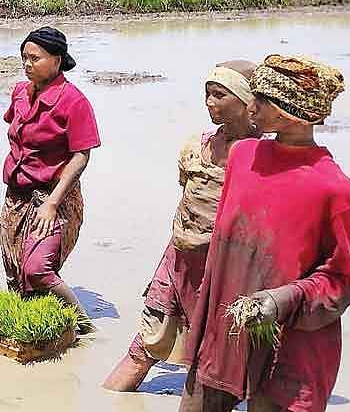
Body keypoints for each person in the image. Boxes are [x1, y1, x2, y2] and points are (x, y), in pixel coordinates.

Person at [173, 55, 350, 412]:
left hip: (286, 337)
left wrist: (283, 299)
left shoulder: (334, 189)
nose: (251, 106)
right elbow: (220, 247)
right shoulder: (244, 156)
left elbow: (345, 278)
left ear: (290, 112)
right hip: (225, 327)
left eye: (260, 99)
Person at [103, 61, 260, 392]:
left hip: (224, 270)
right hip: (179, 258)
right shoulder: (196, 145)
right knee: (147, 342)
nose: (209, 102)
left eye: (219, 95)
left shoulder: (261, 156)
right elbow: (188, 196)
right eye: (207, 94)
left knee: (221, 354)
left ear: (247, 102)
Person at [0, 26, 100, 324]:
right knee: (16, 271)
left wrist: (53, 203)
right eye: (24, 58)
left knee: (38, 269)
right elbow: (16, 130)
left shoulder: (74, 101)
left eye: (35, 58)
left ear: (57, 60)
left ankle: (82, 325)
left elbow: (82, 155)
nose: (27, 64)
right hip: (16, 197)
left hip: (53, 197)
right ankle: (34, 327)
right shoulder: (20, 92)